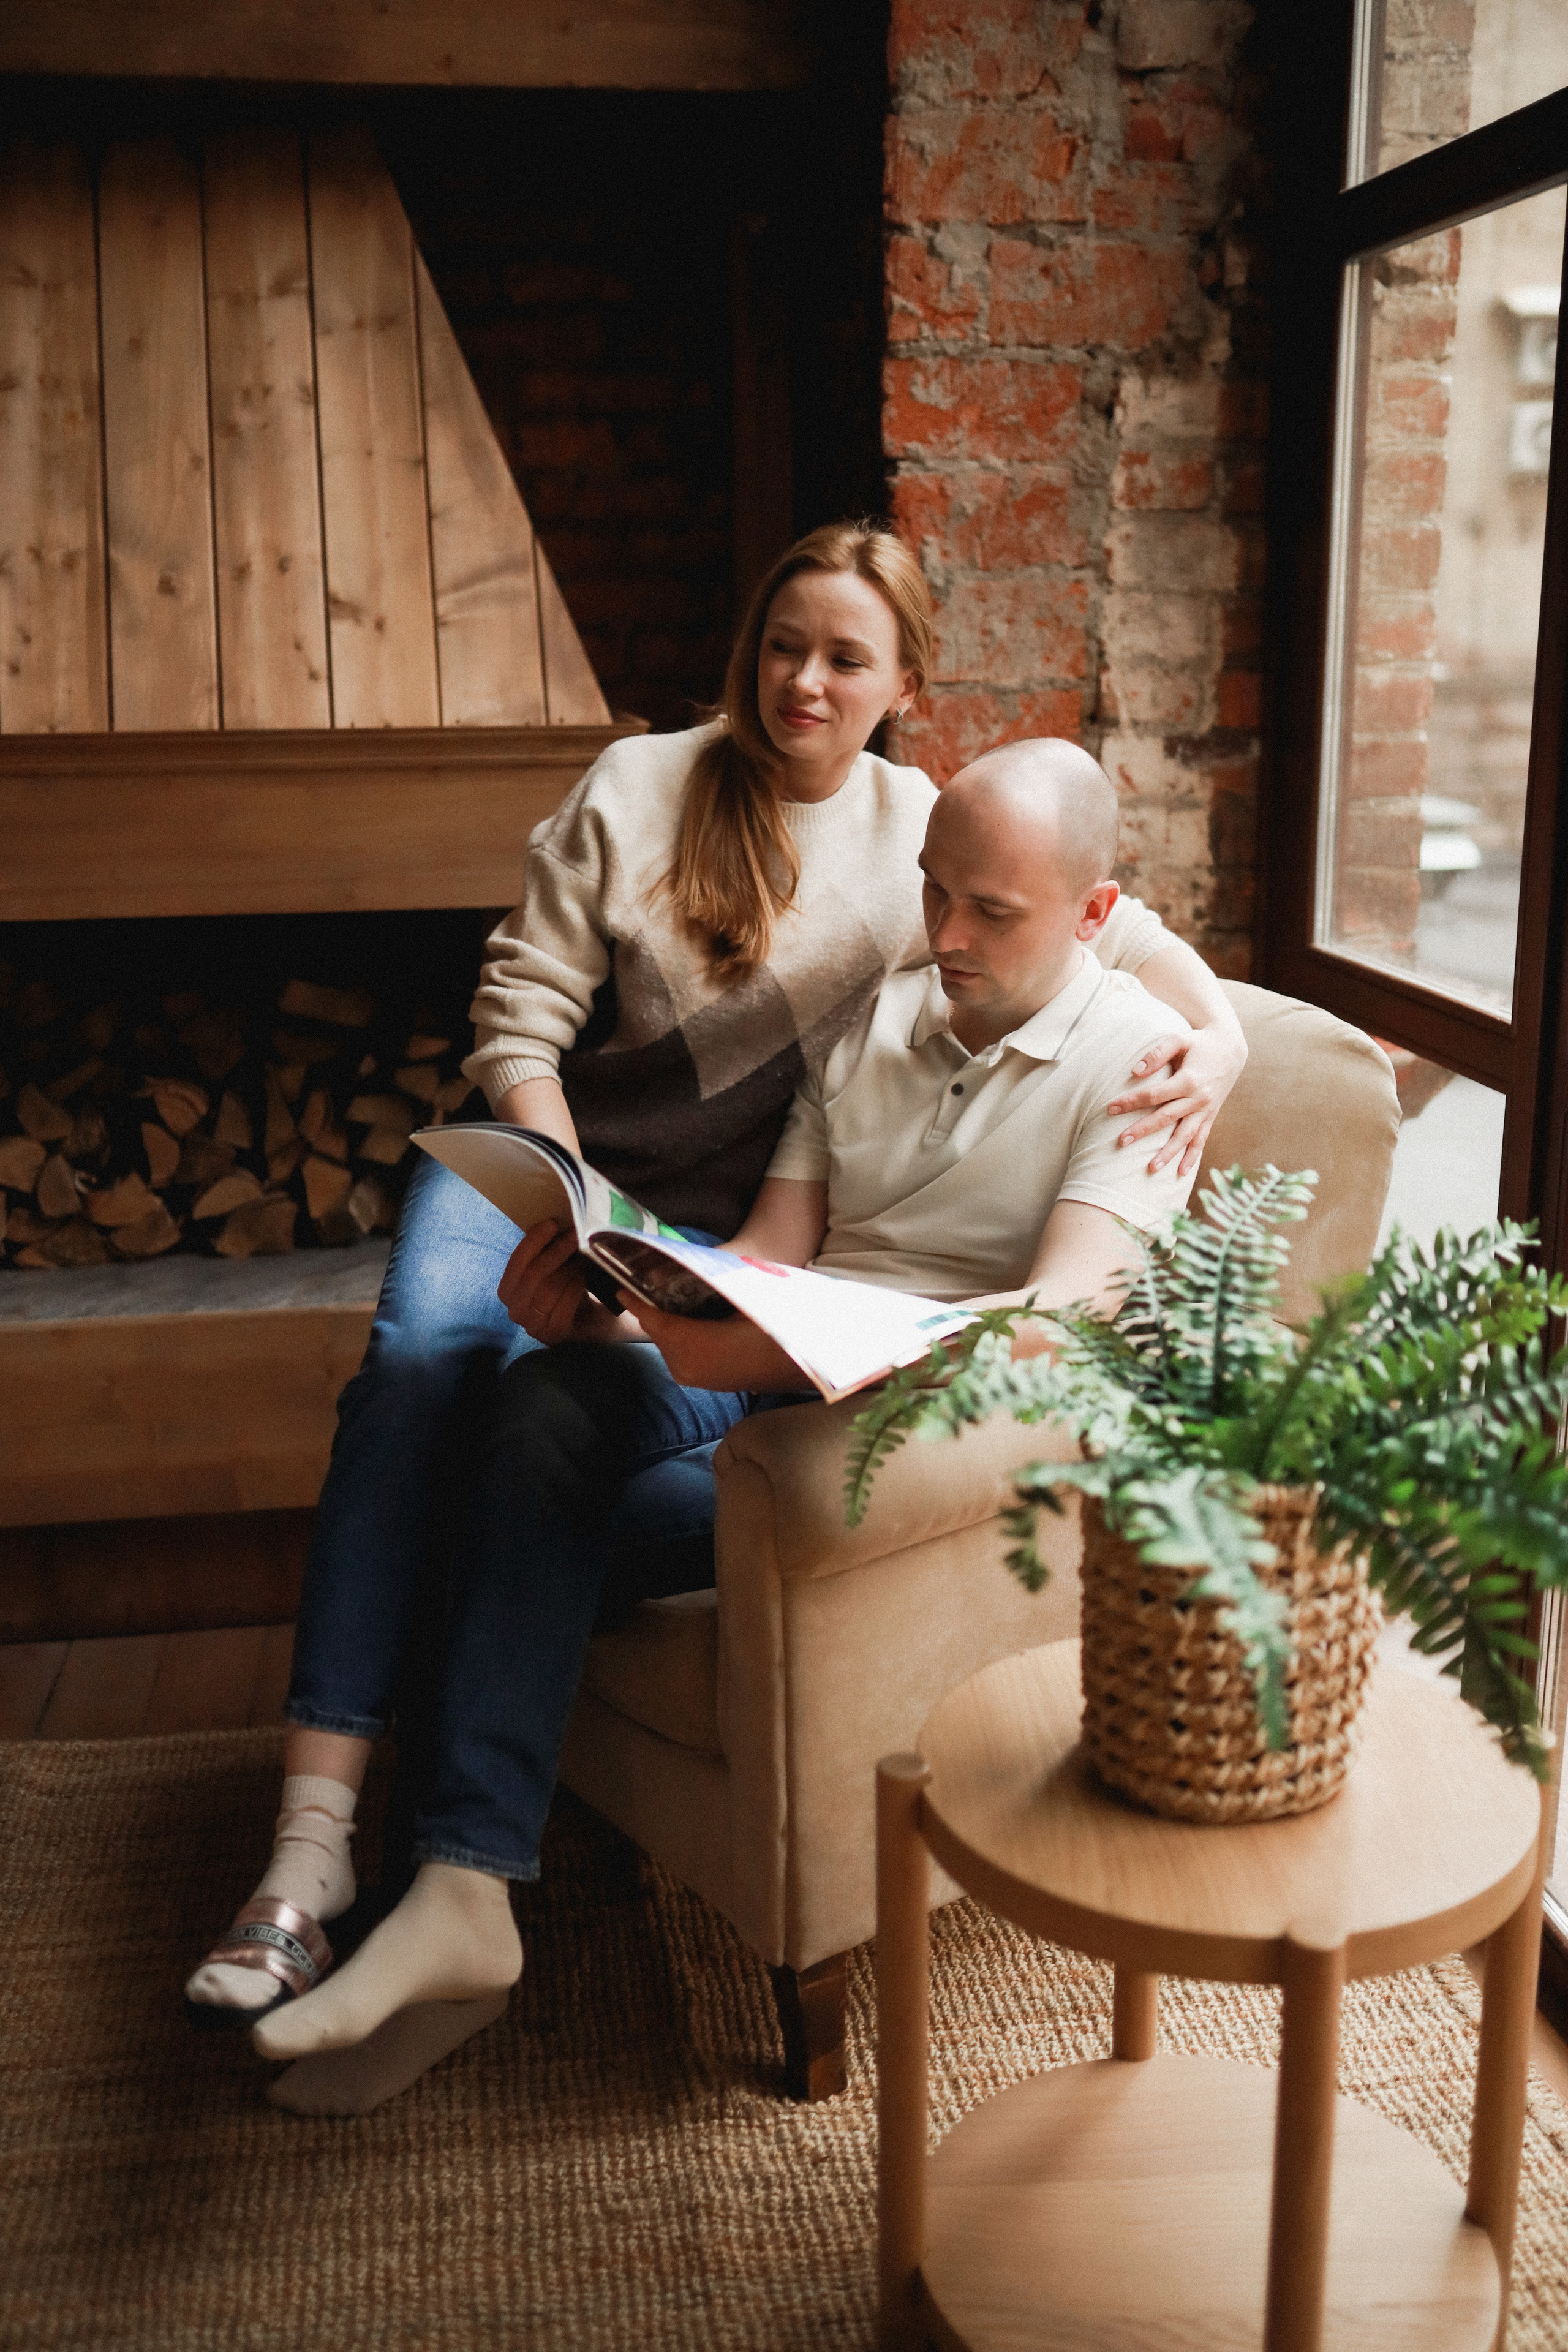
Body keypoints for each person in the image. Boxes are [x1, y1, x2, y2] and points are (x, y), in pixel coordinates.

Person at [184, 517, 1240, 2079]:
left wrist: (1214, 1041)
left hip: (834, 1330)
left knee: (512, 1464)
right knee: (455, 1378)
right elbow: (615, 1100)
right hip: (602, 1190)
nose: (804, 679)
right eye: (783, 645)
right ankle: (362, 1861)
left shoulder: (1016, 935)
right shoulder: (690, 827)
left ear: (901, 687)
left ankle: (437, 1865)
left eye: (846, 658)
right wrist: (598, 1261)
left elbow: (1072, 1219)